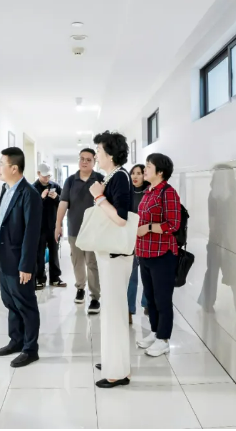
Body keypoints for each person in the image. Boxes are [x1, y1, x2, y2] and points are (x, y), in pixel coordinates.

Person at [0, 147, 42, 368]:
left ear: (14, 168)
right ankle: (16, 340)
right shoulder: (6, 189)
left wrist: (26, 266)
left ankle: (30, 349)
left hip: (19, 260)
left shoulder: (30, 194)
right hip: (4, 256)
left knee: (25, 304)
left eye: (1, 164)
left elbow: (32, 233)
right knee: (10, 301)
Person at [89, 131, 133, 389]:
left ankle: (117, 372)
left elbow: (121, 218)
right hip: (110, 255)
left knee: (115, 312)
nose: (96, 156)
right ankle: (113, 362)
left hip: (116, 256)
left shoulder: (120, 177)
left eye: (98, 151)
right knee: (111, 310)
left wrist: (99, 197)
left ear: (111, 154)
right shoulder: (113, 176)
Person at [135, 153, 181, 357]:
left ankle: (163, 339)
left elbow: (173, 224)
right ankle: (155, 332)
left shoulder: (168, 193)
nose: (144, 170)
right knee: (150, 298)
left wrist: (148, 228)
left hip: (162, 254)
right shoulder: (148, 192)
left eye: (148, 166)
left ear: (160, 172)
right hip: (145, 252)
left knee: (162, 299)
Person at [56, 148, 104, 313]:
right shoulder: (70, 180)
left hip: (94, 230)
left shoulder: (100, 179)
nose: (84, 162)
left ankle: (95, 297)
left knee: (92, 263)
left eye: (88, 159)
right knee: (77, 262)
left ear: (94, 162)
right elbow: (63, 203)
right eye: (82, 159)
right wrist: (58, 224)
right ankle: (80, 288)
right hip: (74, 228)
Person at [33, 162, 66, 289]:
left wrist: (57, 197)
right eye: (44, 175)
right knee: (39, 254)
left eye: (48, 176)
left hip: (53, 225)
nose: (47, 178)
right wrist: (41, 198)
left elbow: (63, 204)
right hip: (39, 227)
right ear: (38, 173)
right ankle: (40, 278)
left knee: (54, 252)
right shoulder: (33, 188)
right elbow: (31, 208)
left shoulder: (55, 186)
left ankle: (55, 278)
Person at [127, 164, 149, 323]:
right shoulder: (126, 192)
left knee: (147, 274)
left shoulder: (149, 192)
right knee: (131, 275)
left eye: (139, 173)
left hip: (146, 237)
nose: (135, 176)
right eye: (133, 173)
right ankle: (129, 308)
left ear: (144, 175)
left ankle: (147, 303)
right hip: (130, 238)